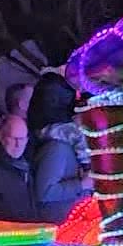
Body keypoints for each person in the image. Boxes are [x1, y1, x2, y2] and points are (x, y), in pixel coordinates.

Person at [25, 75, 89, 223]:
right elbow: (45, 193)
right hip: (57, 224)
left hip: (66, 222)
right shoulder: (56, 148)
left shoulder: (59, 143)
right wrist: (82, 184)